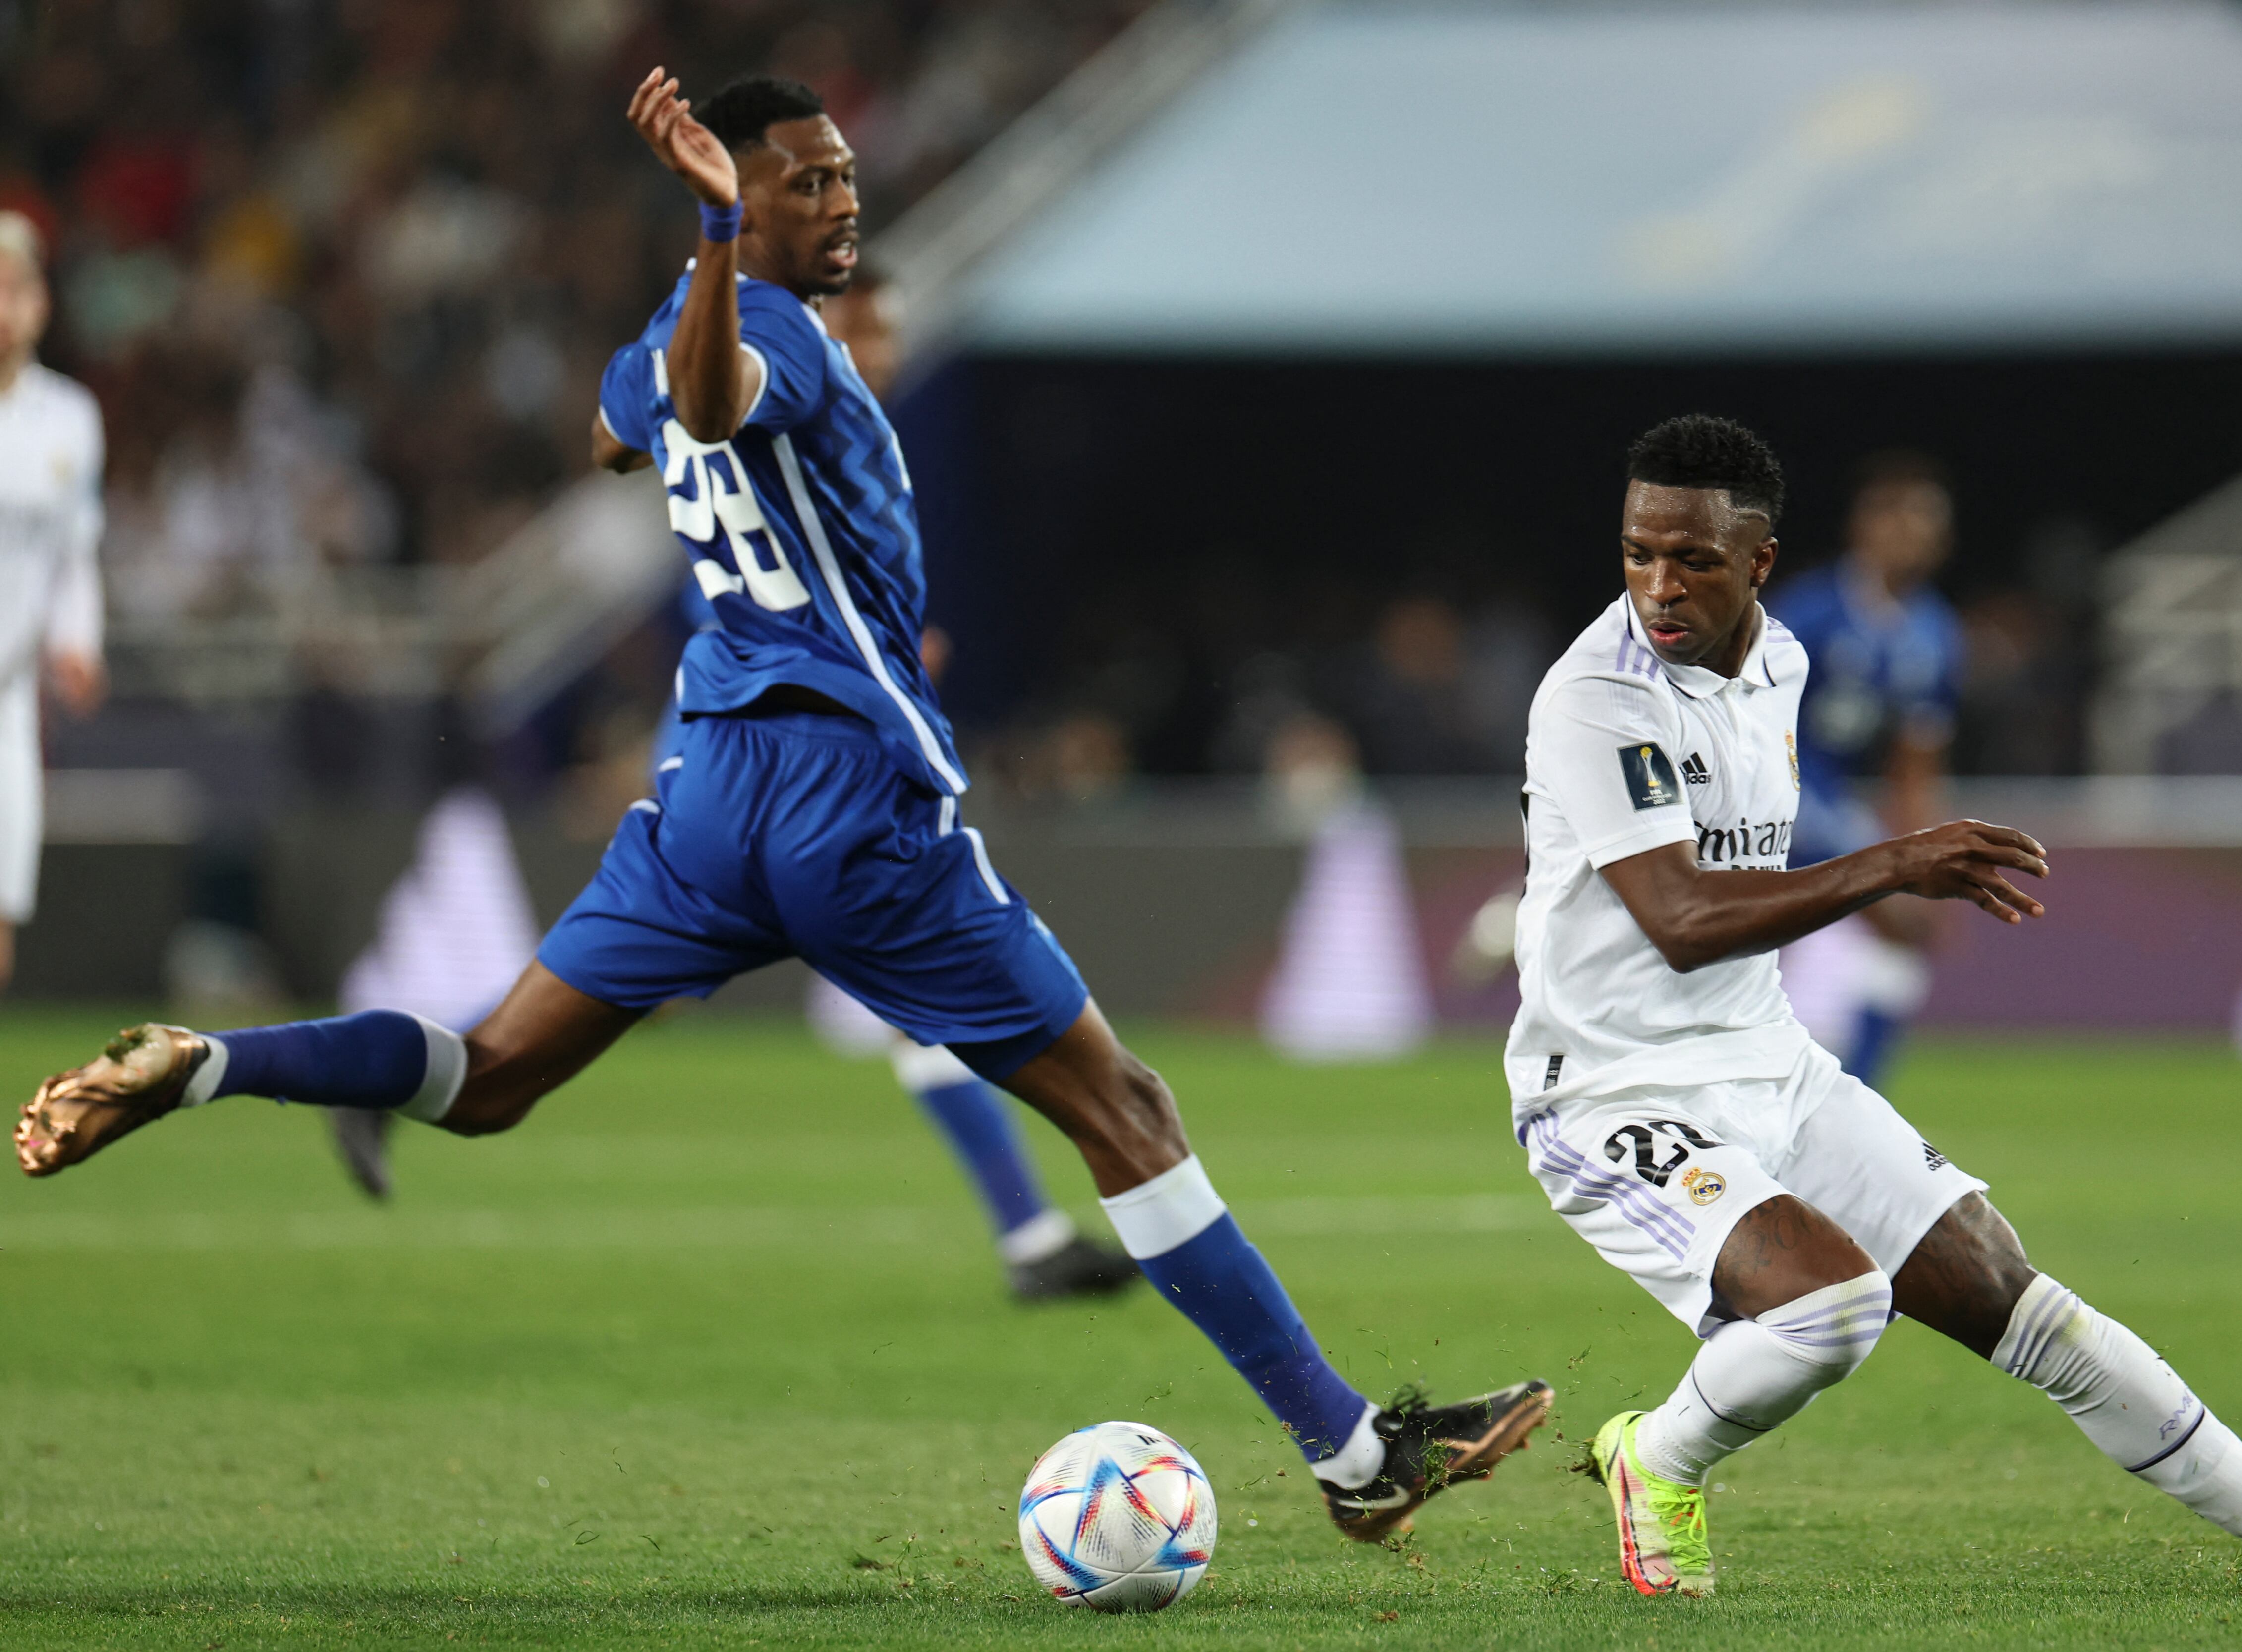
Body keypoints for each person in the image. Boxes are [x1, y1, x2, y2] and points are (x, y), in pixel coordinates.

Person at [15, 72, 1550, 1538]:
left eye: (844, 177)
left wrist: (693, 296)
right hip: (844, 792)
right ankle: (1354, 1454)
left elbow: (624, 426)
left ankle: (209, 1068)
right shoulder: (776, 333)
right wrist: (714, 241)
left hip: (702, 795)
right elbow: (707, 398)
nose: (841, 200)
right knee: (1124, 1110)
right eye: (804, 182)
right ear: (733, 200)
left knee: (487, 1076)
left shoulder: (672, 337)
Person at [1516, 415, 2242, 1598]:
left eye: (1689, 558)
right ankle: (1658, 1456)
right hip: (1606, 1091)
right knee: (1834, 1307)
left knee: (2018, 1297)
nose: (1656, 585)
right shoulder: (1595, 695)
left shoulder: (1784, 664)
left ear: (1759, 561)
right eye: (1638, 552)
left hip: (1768, 1065)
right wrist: (1891, 865)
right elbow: (1681, 920)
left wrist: (1885, 863)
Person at [327, 266, 1140, 1301]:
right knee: (682, 987)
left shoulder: (840, 425)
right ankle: (401, 1066)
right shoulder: (784, 401)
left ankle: (1030, 1238)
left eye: (889, 332)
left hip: (794, 730)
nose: (884, 351)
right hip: (768, 737)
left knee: (815, 994)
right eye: (867, 328)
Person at [1764, 453, 1962, 1090]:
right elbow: (1748, 718)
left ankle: (1850, 1099)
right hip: (1763, 788)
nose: (1916, 537)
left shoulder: (1933, 633)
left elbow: (1914, 763)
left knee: (1903, 928)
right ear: (1865, 527)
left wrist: (1927, 857)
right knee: (1890, 920)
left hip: (1826, 798)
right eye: (1901, 520)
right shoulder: (1811, 612)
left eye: (1929, 524)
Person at [0, 211, 107, 996]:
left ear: (41, 302)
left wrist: (80, 643)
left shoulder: (70, 418)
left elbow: (76, 553)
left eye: (17, 288)